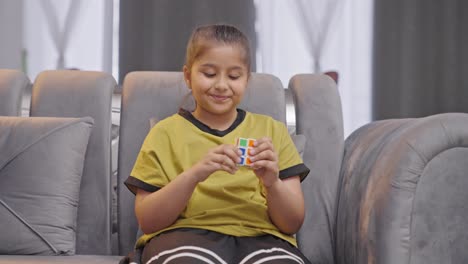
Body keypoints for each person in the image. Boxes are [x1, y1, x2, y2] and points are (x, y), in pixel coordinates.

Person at [124, 24, 312, 264]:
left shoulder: (272, 131)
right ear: (188, 76)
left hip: (263, 239)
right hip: (184, 236)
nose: (222, 85)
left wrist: (272, 182)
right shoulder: (165, 133)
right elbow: (148, 221)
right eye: (209, 74)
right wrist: (194, 174)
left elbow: (292, 222)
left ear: (246, 79)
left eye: (234, 76)